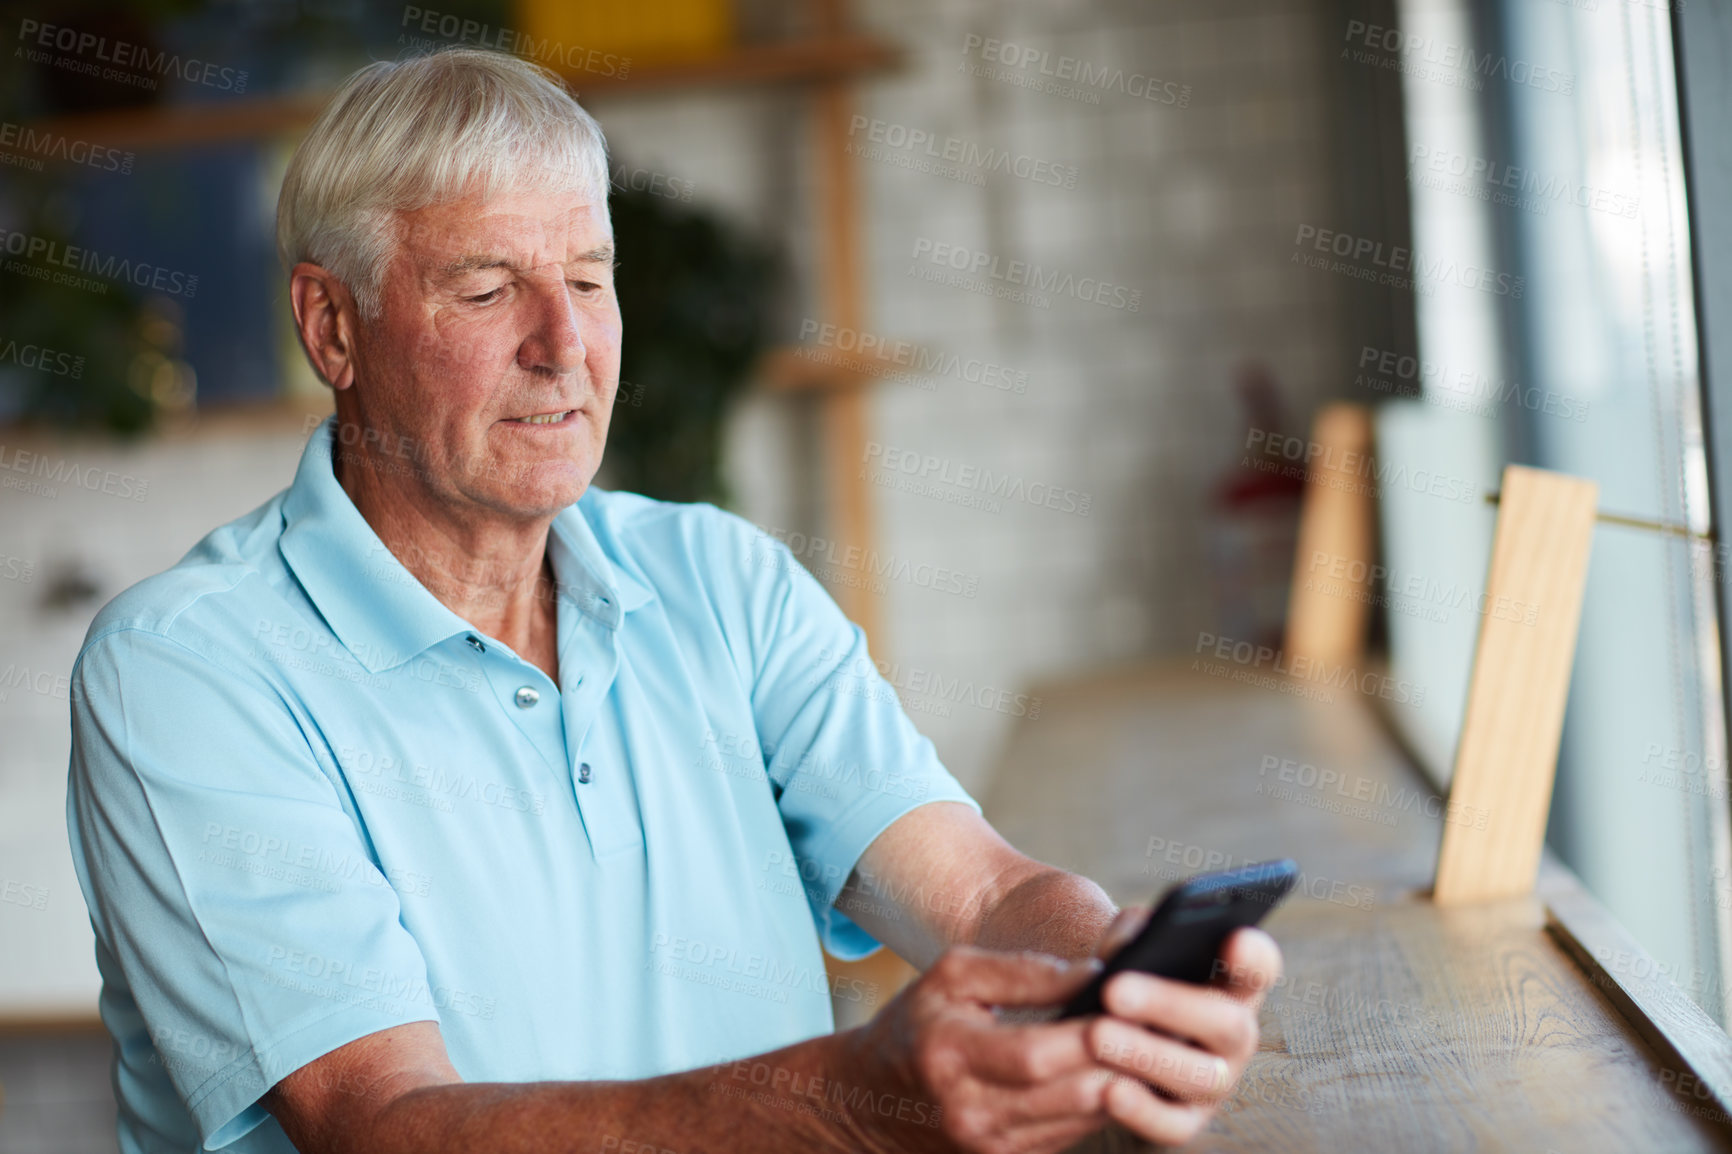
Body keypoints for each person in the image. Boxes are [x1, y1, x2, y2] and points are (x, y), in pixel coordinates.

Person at [64, 48, 1280, 1154]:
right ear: (332, 325)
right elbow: (384, 1125)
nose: (563, 344)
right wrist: (852, 1100)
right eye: (487, 290)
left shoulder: (721, 579)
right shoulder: (185, 670)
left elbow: (979, 892)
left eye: (588, 279)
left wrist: (1116, 971)